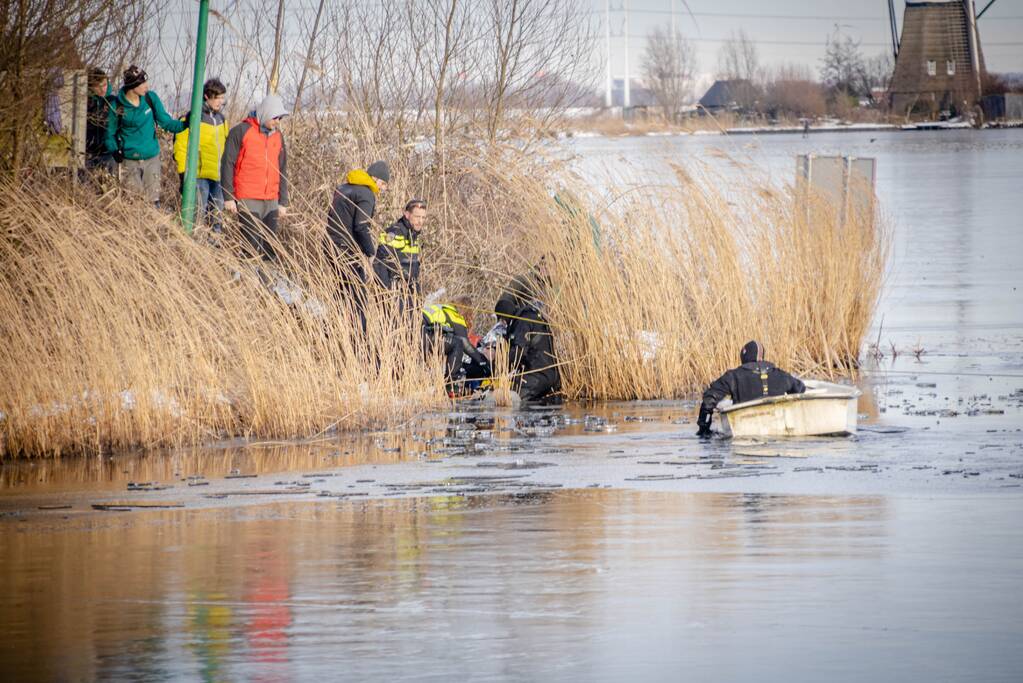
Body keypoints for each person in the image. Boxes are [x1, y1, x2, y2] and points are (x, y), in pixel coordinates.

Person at [105, 65, 187, 206]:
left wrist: (185, 124)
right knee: (134, 202)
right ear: (132, 85)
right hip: (129, 160)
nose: (146, 86)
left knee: (153, 201)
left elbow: (166, 122)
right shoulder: (117, 106)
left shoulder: (150, 98)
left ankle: (153, 227)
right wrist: (114, 150)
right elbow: (109, 133)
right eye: (142, 83)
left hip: (151, 158)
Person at [221, 94, 290, 261]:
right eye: (275, 117)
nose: (277, 121)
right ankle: (247, 281)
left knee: (270, 246)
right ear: (266, 112)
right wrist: (228, 196)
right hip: (248, 197)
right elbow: (227, 163)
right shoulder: (240, 131)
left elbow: (282, 169)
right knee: (250, 245)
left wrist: (283, 202)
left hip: (271, 199)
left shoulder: (278, 137)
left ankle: (267, 283)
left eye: (280, 118)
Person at [325, 161, 390, 327]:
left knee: (342, 291)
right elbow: (361, 227)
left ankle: (331, 329)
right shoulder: (366, 194)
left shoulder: (343, 188)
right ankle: (359, 337)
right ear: (374, 178)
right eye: (383, 184)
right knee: (358, 298)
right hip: (347, 250)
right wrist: (370, 253)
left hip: (330, 245)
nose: (383, 189)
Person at [696, 340, 806, 437]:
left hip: (743, 431)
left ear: (743, 358)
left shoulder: (733, 376)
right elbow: (800, 390)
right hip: (778, 433)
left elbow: (708, 400)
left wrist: (703, 429)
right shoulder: (781, 375)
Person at [173, 78, 229, 233]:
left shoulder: (222, 119)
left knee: (216, 217)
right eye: (217, 97)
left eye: (222, 98)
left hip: (218, 176)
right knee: (197, 215)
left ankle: (214, 247)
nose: (221, 101)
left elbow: (225, 145)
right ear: (206, 96)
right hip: (199, 176)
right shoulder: (193, 117)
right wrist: (184, 174)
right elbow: (181, 147)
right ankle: (195, 245)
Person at [495, 294, 561, 403]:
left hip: (538, 376)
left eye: (502, 321)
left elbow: (518, 352)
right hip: (552, 376)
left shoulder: (522, 323)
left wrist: (498, 365)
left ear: (504, 318)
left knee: (511, 399)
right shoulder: (531, 316)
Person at [422, 299, 490, 393]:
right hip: (422, 334)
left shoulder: (443, 308)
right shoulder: (454, 315)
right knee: (457, 344)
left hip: (414, 331)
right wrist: (483, 361)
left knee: (447, 345)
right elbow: (465, 344)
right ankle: (451, 385)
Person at [373, 198, 425, 309]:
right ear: (407, 215)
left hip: (409, 292)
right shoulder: (394, 233)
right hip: (393, 292)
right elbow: (379, 264)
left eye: (423, 217)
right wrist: (386, 294)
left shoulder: (415, 236)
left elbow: (412, 267)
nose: (420, 221)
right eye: (417, 217)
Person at [85, 67, 116, 175]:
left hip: (108, 153)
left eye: (104, 85)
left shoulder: (113, 102)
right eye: (97, 87)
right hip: (88, 152)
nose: (102, 89)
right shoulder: (85, 103)